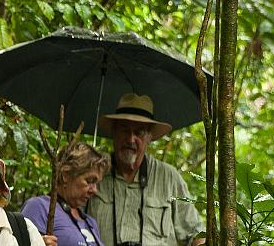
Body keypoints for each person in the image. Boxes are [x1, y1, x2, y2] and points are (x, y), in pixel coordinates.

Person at [86, 93, 205, 246]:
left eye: (139, 132)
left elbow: (194, 233)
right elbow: (69, 218)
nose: (130, 139)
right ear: (113, 132)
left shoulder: (169, 177)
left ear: (149, 137)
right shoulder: (94, 172)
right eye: (124, 130)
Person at [22, 141, 109, 246]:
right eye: (89, 181)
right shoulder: (39, 207)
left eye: (96, 183)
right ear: (66, 175)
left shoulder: (90, 223)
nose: (94, 190)